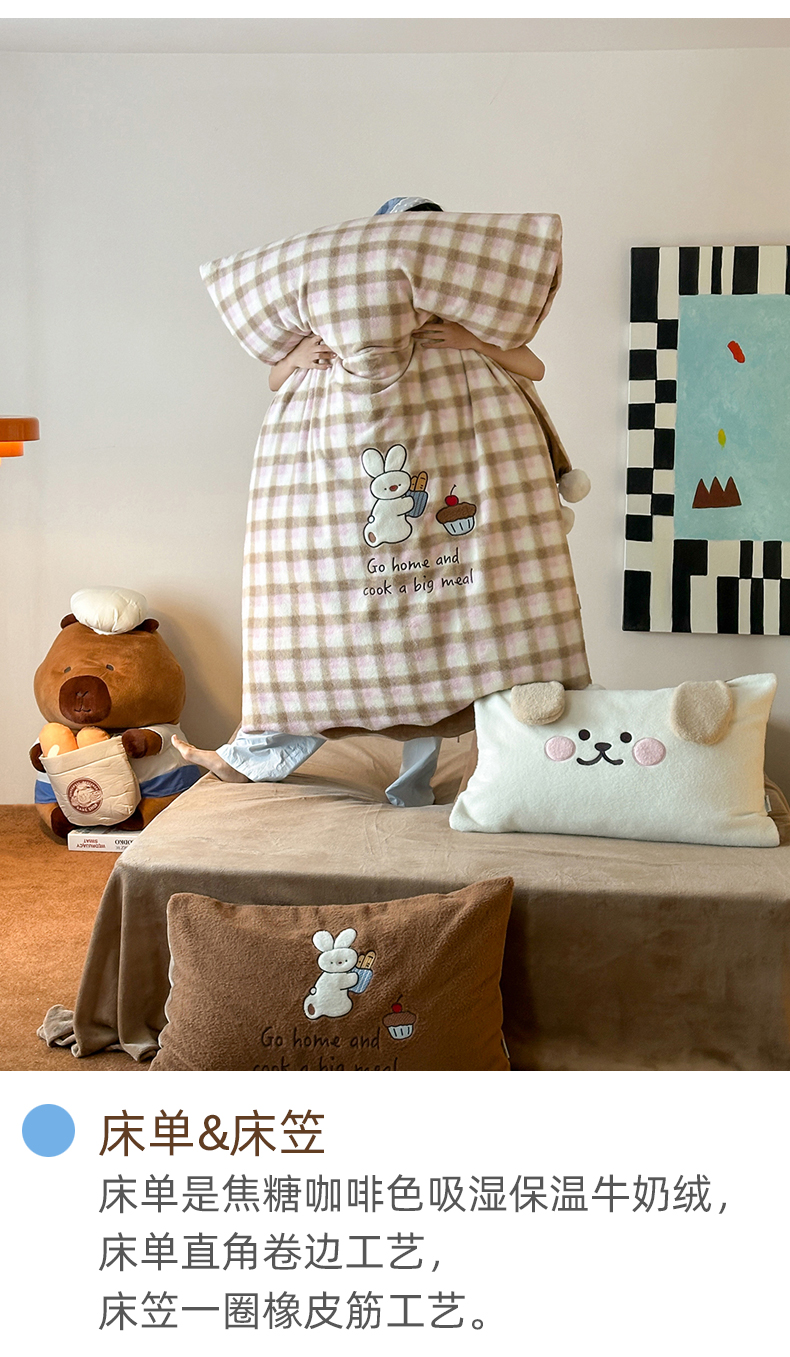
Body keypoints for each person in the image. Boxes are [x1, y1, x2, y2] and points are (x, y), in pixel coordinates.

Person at [174, 196, 546, 806]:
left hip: (441, 496)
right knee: (342, 633)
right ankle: (251, 756)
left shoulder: (452, 324)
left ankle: (420, 777)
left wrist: (468, 339)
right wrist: (297, 356)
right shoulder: (340, 326)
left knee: (439, 630)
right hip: (359, 501)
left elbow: (531, 364)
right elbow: (276, 379)